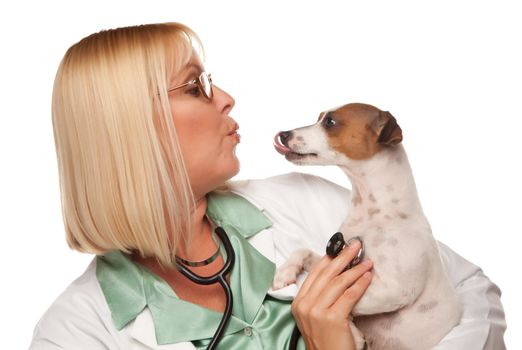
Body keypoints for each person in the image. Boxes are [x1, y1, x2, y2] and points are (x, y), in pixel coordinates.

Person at [29, 22, 506, 350]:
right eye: (196, 87)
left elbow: (472, 294)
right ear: (126, 126)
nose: (227, 98)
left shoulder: (308, 201)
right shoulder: (74, 333)